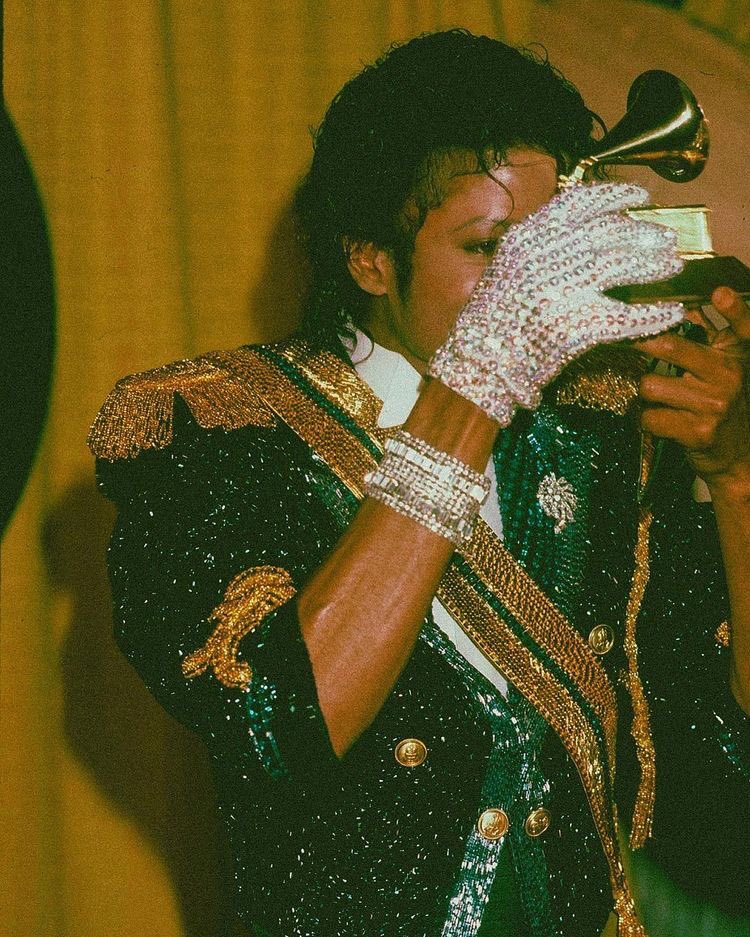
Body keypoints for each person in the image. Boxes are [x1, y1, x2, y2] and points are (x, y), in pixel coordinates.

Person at [89, 30, 750, 937]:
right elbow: (277, 726)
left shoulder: (598, 427)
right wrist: (478, 380)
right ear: (369, 257)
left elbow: (716, 750)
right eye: (489, 249)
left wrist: (737, 478)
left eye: (544, 250)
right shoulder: (219, 429)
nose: (530, 289)